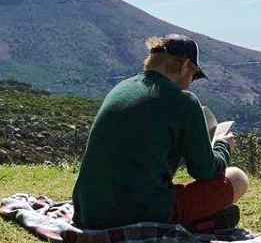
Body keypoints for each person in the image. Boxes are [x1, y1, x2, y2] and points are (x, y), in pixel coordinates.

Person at [72, 34, 248, 230]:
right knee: (237, 178)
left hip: (88, 213)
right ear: (185, 66)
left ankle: (206, 220)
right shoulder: (184, 101)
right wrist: (223, 146)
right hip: (138, 214)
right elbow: (205, 171)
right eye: (194, 75)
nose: (191, 82)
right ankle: (201, 222)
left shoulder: (120, 88)